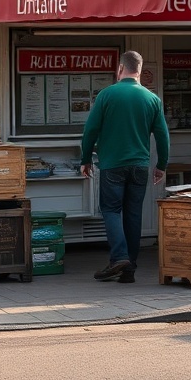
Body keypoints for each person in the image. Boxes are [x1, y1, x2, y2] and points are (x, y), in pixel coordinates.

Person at [81, 51, 170, 284]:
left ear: (120, 68)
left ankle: (119, 257)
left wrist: (85, 159)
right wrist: (161, 165)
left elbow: (90, 130)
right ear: (139, 70)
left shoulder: (106, 95)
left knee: (111, 210)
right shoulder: (152, 99)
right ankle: (129, 270)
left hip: (113, 165)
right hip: (140, 166)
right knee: (133, 215)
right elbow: (163, 137)